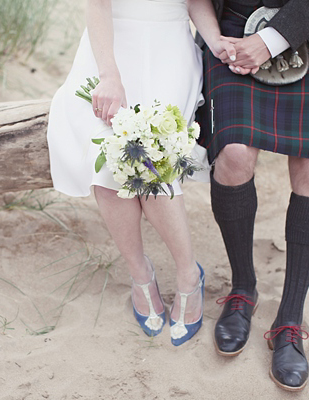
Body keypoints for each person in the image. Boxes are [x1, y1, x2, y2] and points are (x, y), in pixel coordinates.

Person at [47, 0, 233, 346]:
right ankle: (140, 273)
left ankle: (188, 274)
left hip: (169, 48)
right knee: (107, 161)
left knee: (154, 161)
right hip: (108, 49)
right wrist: (110, 76)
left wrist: (215, 39)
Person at [195, 0, 309, 391]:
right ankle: (243, 288)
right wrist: (216, 37)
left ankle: (290, 319)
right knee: (232, 155)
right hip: (232, 29)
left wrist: (271, 40)